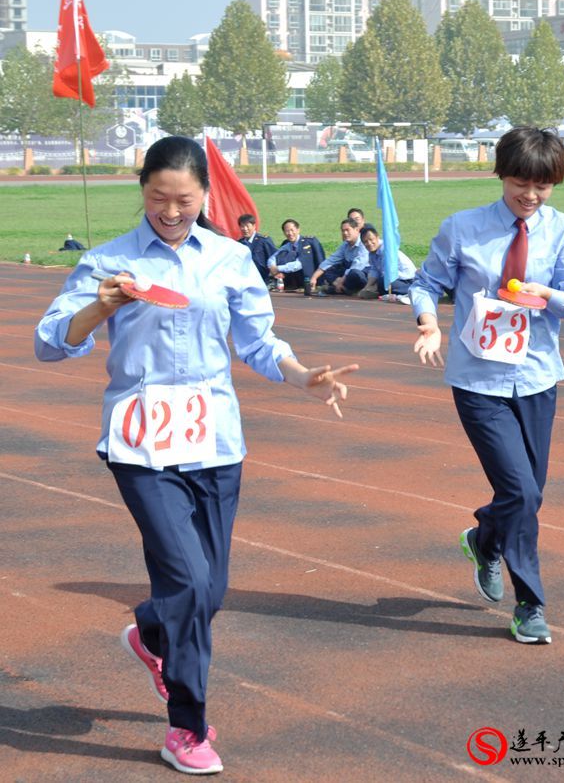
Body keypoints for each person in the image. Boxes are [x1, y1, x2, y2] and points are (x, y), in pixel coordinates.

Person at [34, 136, 358, 775]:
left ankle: (153, 632)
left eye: (184, 200)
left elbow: (259, 344)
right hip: (139, 440)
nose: (172, 211)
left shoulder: (232, 260)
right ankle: (187, 726)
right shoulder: (110, 260)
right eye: (159, 198)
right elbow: (51, 342)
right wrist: (100, 306)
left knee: (207, 590)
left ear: (206, 196)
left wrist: (303, 377)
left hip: (213, 439)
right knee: (185, 577)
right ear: (142, 191)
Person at [410, 126, 564, 646]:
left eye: (542, 187)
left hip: (537, 376)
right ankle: (530, 604)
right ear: (502, 175)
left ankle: (484, 537)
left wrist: (548, 293)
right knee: (520, 489)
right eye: (521, 183)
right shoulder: (464, 228)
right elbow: (426, 282)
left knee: (526, 495)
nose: (530, 196)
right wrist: (428, 323)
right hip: (478, 379)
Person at [310, 218, 369, 295]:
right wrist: (314, 278)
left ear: (357, 230)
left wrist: (341, 280)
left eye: (347, 230)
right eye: (343, 230)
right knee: (329, 270)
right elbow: (330, 260)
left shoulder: (364, 243)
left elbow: (357, 265)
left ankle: (342, 288)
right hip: (347, 274)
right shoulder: (345, 245)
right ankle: (344, 288)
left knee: (354, 273)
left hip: (362, 273)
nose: (345, 233)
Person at [358, 226, 416, 304]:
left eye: (371, 239)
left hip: (407, 279)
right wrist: (367, 287)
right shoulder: (371, 253)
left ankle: (413, 291)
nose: (369, 243)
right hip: (392, 279)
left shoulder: (386, 250)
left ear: (377, 237)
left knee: (383, 282)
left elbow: (387, 274)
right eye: (365, 241)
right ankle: (396, 295)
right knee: (382, 284)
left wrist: (373, 287)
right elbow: (374, 270)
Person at [267, 218, 325, 291]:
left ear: (298, 230)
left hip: (307, 279)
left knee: (291, 255)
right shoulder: (286, 244)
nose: (290, 233)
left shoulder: (307, 243)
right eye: (287, 231)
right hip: (292, 280)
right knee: (282, 254)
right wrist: (273, 268)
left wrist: (278, 268)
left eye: (292, 230)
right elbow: (272, 258)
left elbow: (299, 264)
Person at [237, 213, 276, 284]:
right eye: (242, 226)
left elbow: (274, 258)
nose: (245, 229)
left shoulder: (264, 240)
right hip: (245, 280)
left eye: (247, 226)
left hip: (263, 280)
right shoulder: (239, 243)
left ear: (254, 226)